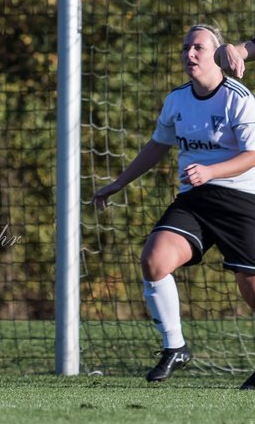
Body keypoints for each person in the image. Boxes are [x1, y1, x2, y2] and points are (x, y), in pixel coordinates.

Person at [93, 24, 255, 387]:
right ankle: (175, 347)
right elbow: (157, 145)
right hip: (194, 200)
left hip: (241, 199)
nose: (189, 54)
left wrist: (212, 170)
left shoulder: (238, 98)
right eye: (185, 48)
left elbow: (252, 155)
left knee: (251, 287)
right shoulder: (176, 100)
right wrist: (119, 183)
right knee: (154, 260)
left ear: (217, 53)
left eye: (198, 47)